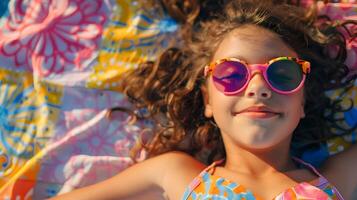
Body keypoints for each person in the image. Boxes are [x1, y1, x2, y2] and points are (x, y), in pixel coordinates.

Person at [51, 0, 357, 199]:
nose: (258, 88)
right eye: (232, 74)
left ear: (302, 101)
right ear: (207, 99)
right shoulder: (174, 172)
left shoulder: (337, 178)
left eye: (283, 74)